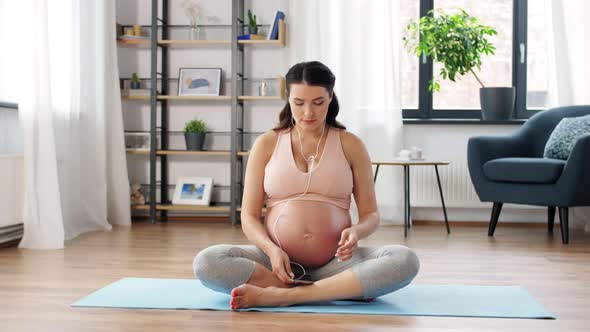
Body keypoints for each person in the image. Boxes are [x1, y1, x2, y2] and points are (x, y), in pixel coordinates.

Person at [193, 61, 419, 310]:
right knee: (207, 262)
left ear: (330, 97)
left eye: (318, 102)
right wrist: (270, 250)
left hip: (336, 264)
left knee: (404, 259)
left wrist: (357, 232)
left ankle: (284, 296)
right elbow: (248, 216)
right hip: (277, 264)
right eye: (299, 103)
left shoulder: (351, 145)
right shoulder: (267, 144)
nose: (308, 113)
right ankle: (333, 290)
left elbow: (371, 215)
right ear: (287, 98)